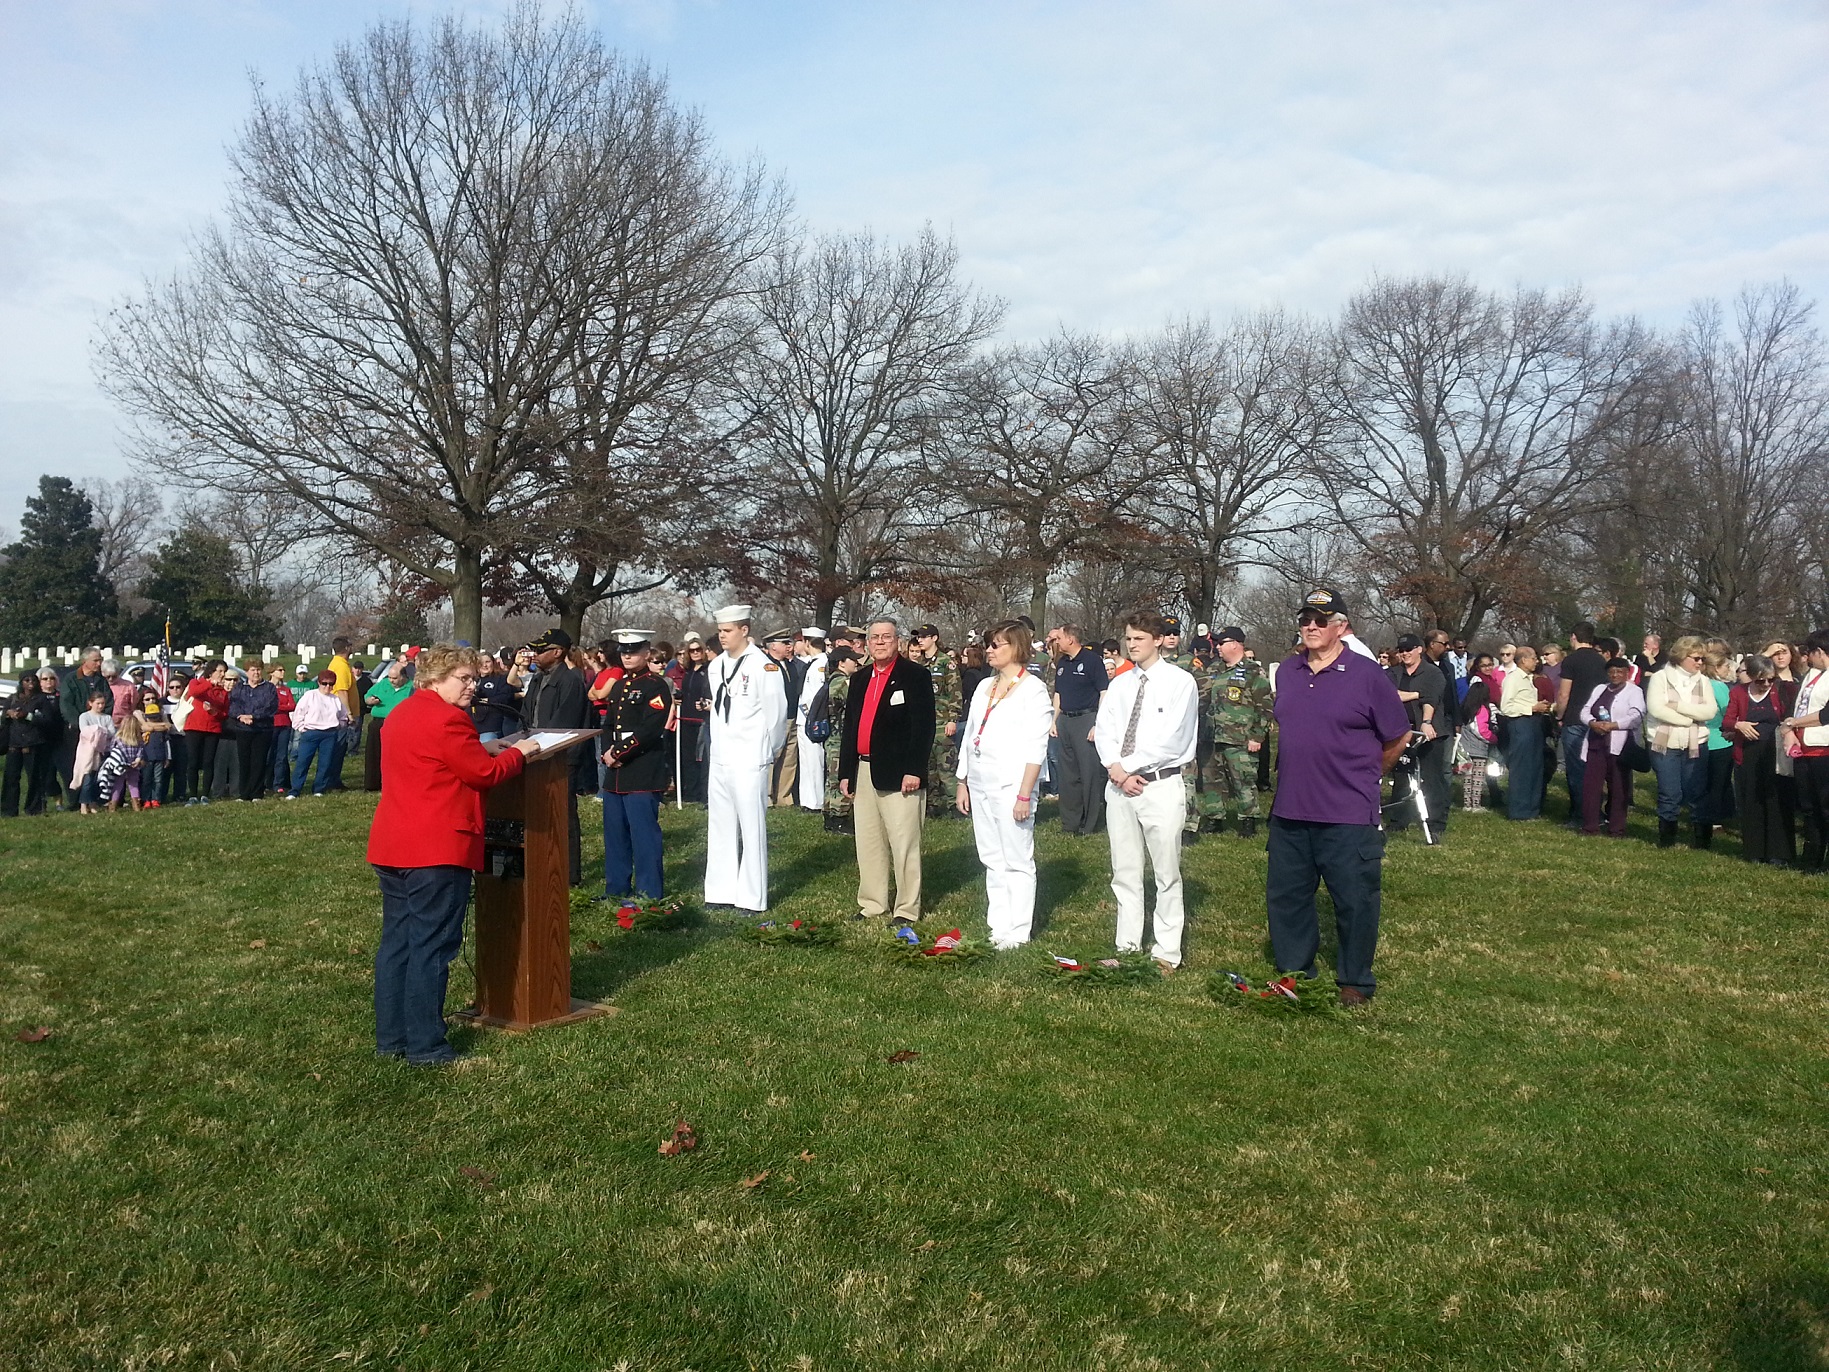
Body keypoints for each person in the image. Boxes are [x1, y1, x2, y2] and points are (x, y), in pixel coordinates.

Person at [366, 645, 543, 1066]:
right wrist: (521, 752)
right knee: (431, 946)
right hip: (436, 847)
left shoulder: (402, 713)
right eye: (462, 678)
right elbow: (484, 775)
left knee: (397, 944)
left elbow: (439, 762)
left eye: (471, 677)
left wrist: (488, 746)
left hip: (394, 842)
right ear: (434, 679)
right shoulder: (448, 719)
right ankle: (427, 1046)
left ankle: (392, 1039)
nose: (472, 685)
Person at [1265, 589, 1410, 1006]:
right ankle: (1294, 972)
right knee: (1287, 896)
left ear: (1341, 626)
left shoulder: (1366, 674)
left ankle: (1355, 981)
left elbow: (1397, 734)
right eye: (1306, 619)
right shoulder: (1288, 671)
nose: (1311, 626)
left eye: (1321, 620)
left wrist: (1368, 774)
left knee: (1354, 899)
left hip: (1347, 810)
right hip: (1291, 807)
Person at [1093, 610, 1199, 973]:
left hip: (1160, 784)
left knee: (1166, 871)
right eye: (1128, 638)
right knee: (1124, 869)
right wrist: (1117, 771)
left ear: (1158, 640)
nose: (1131, 644)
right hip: (1120, 786)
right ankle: (1126, 945)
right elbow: (1104, 729)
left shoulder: (1180, 682)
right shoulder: (1122, 683)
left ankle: (1166, 951)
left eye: (1139, 638)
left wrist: (1131, 766)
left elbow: (1175, 738)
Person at [955, 620, 1054, 949]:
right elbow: (971, 736)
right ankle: (998, 924)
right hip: (981, 781)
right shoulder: (985, 686)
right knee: (991, 856)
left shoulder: (1033, 690)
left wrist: (1025, 794)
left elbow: (1036, 747)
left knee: (1016, 858)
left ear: (1017, 648)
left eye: (998, 645)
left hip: (1012, 784)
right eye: (990, 644)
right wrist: (963, 780)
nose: (990, 650)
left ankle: (1018, 931)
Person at [838, 618, 935, 925]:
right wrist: (846, 771)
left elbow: (923, 728)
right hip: (864, 769)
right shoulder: (860, 678)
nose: (880, 642)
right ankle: (872, 903)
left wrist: (914, 770)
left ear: (898, 641)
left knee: (903, 842)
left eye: (886, 637)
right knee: (868, 842)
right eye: (874, 638)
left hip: (901, 773)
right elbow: (851, 727)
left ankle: (906, 908)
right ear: (866, 643)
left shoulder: (915, 676)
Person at [704, 605, 788, 911]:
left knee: (752, 827)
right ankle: (720, 891)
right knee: (720, 823)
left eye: (727, 631)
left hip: (750, 755)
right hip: (722, 755)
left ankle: (753, 897)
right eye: (720, 631)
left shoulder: (763, 667)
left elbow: (776, 715)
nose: (722, 637)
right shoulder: (716, 667)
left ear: (744, 630)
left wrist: (768, 751)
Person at [599, 630, 673, 902]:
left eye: (634, 650)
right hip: (615, 772)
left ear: (646, 652)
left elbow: (651, 729)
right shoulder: (619, 685)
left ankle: (648, 892)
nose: (627, 655)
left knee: (644, 836)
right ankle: (616, 888)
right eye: (623, 650)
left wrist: (619, 752)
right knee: (615, 834)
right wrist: (607, 753)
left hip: (641, 768)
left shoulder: (655, 686)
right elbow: (609, 724)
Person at [521, 627, 592, 886]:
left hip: (562, 756)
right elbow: (528, 713)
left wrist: (546, 748)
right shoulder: (539, 679)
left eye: (541, 650)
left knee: (564, 814)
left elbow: (565, 723)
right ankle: (543, 863)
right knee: (540, 813)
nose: (536, 655)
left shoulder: (570, 681)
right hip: (536, 753)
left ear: (557, 652)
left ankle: (570, 873)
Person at [1195, 627, 1275, 839]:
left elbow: (1265, 706)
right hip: (1212, 736)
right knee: (1211, 780)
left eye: (1222, 643)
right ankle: (1215, 818)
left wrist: (1257, 736)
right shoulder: (1214, 670)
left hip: (1240, 738)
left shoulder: (1253, 671)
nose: (1218, 647)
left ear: (1236, 644)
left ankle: (1248, 819)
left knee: (1243, 780)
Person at [1646, 636, 1717, 848]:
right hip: (1665, 744)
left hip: (1696, 743)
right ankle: (1667, 841)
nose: (1700, 663)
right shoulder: (1661, 678)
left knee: (1697, 791)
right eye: (1696, 658)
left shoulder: (1703, 681)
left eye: (1702, 659)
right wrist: (1689, 720)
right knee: (1669, 792)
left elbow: (1710, 711)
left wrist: (1676, 705)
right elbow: (1656, 709)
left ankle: (1702, 840)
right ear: (1682, 656)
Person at [1724, 653, 1793, 866]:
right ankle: (1754, 850)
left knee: (1776, 800)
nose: (1765, 684)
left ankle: (1778, 852)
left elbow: (1788, 716)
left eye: (1770, 680)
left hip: (1774, 751)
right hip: (1748, 752)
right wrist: (1739, 725)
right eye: (1760, 680)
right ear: (1751, 677)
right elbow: (1727, 720)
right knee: (1751, 799)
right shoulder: (1738, 692)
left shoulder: (1780, 692)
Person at [1575, 658, 1646, 837]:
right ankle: (1590, 826)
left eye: (1619, 671)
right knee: (1591, 786)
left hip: (1619, 746)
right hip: (1596, 744)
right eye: (1612, 671)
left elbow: (1636, 715)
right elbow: (1585, 710)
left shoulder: (1634, 691)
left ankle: (1616, 828)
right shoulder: (1600, 689)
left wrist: (1614, 725)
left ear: (1627, 673)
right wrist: (1592, 723)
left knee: (1619, 788)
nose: (1615, 675)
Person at [1050, 623, 1108, 836]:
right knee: (1068, 775)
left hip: (1086, 719)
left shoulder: (1092, 661)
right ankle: (1070, 823)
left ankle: (1090, 824)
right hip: (1065, 720)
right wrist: (1054, 721)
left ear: (1071, 639)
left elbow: (1104, 692)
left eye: (1059, 638)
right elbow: (1059, 694)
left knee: (1089, 773)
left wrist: (1097, 724)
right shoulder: (1062, 663)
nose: (1057, 642)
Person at [1385, 633, 1445, 832]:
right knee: (1401, 778)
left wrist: (1426, 721)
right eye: (1401, 651)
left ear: (1419, 649)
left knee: (1431, 778)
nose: (1405, 654)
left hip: (1429, 732)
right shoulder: (1393, 673)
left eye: (1409, 649)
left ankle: (1435, 823)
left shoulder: (1433, 673)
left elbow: (1432, 698)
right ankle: (1398, 821)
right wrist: (1418, 694)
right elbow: (1389, 696)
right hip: (1402, 732)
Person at [1780, 631, 1829, 873]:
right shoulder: (1811, 677)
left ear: (1820, 653)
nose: (1808, 659)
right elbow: (1795, 709)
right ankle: (1811, 859)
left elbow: (1826, 715)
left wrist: (1794, 724)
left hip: (1825, 751)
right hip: (1804, 750)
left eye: (1810, 654)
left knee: (1826, 807)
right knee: (1810, 808)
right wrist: (1789, 729)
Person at [1555, 623, 1609, 826]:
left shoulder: (1571, 660)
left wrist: (1559, 715)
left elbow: (1564, 693)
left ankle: (1581, 815)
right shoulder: (1600, 659)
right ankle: (1597, 812)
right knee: (1593, 769)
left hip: (1575, 718)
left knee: (1576, 769)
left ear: (1573, 637)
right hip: (1595, 718)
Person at [908, 624, 959, 817]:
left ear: (934, 638)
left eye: (924, 637)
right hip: (924, 724)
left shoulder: (947, 662)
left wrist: (953, 719)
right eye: (918, 637)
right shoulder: (919, 665)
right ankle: (933, 806)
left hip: (942, 721)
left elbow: (955, 692)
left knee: (946, 767)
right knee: (928, 768)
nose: (920, 640)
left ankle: (956, 805)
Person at [1499, 646, 1554, 821]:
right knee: (1522, 768)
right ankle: (1519, 810)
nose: (1537, 661)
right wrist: (1531, 708)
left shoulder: (1529, 679)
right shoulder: (1513, 679)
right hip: (1520, 724)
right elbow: (1506, 706)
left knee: (1535, 767)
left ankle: (1532, 809)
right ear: (1523, 660)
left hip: (1534, 724)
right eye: (1534, 658)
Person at [1695, 645, 1737, 849]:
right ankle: (1715, 820)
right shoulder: (1719, 687)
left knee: (1702, 782)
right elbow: (1728, 710)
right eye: (1725, 667)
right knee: (1718, 784)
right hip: (1720, 740)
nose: (1728, 670)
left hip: (1699, 739)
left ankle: (1702, 817)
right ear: (1716, 668)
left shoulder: (1697, 684)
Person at [2, 674, 60, 817]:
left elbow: (47, 721)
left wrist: (27, 716)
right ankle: (8, 810)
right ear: (21, 682)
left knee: (35, 777)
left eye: (33, 680)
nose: (30, 683)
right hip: (14, 743)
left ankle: (34, 808)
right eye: (27, 681)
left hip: (34, 742)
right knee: (11, 778)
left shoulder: (41, 700)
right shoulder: (13, 698)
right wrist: (8, 713)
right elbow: (3, 718)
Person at [286, 672, 351, 798]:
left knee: (325, 763)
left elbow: (343, 717)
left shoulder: (335, 699)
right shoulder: (310, 695)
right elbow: (298, 713)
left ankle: (319, 789)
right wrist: (301, 728)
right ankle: (295, 790)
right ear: (319, 683)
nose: (327, 687)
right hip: (311, 732)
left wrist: (338, 726)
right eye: (324, 684)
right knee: (303, 762)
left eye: (331, 684)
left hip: (329, 734)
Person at [58, 649, 106, 807]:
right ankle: (75, 800)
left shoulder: (101, 680)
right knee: (77, 765)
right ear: (85, 661)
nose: (99, 664)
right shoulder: (71, 679)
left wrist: (101, 720)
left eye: (100, 660)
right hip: (76, 731)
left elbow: (108, 700)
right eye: (96, 660)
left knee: (96, 765)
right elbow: (66, 704)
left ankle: (93, 798)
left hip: (99, 731)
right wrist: (81, 724)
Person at [821, 647, 862, 832]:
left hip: (832, 737)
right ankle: (839, 818)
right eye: (852, 659)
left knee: (831, 779)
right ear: (841, 663)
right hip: (840, 737)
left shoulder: (830, 681)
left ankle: (829, 814)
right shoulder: (843, 683)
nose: (856, 663)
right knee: (841, 777)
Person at [225, 656, 277, 801]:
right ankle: (244, 793)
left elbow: (270, 707)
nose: (256, 673)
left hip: (262, 729)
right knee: (244, 761)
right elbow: (233, 705)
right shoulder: (239, 688)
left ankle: (256, 793)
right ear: (247, 672)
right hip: (243, 729)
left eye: (258, 670)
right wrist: (241, 716)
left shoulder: (269, 688)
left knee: (259, 761)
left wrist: (253, 716)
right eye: (253, 670)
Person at [362, 657, 415, 793]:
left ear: (403, 677)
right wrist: (370, 700)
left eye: (395, 678)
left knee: (393, 756)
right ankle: (372, 783)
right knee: (374, 754)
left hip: (397, 724)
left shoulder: (411, 688)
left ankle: (391, 783)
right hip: (378, 722)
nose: (391, 681)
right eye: (390, 677)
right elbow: (367, 696)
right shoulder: (384, 683)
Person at [763, 628, 802, 807]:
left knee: (789, 758)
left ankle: (784, 796)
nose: (788, 646)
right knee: (773, 757)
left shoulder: (791, 665)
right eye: (784, 643)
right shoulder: (766, 665)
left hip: (793, 716)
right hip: (775, 718)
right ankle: (768, 796)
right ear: (772, 646)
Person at [796, 628, 829, 811]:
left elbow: (816, 696)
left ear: (808, 643)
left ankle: (815, 801)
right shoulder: (812, 663)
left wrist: (809, 714)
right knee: (806, 761)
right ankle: (807, 799)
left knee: (814, 761)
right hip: (804, 718)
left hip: (812, 718)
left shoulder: (820, 665)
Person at [1457, 668, 1499, 812]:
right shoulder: (1482, 709)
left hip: (1465, 748)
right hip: (1479, 749)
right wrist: (1493, 739)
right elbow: (1481, 729)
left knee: (1467, 778)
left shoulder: (1465, 708)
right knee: (1478, 778)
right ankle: (1476, 805)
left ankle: (1466, 804)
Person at [323, 637, 361, 791]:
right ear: (346, 647)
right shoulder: (341, 666)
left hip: (342, 715)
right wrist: (349, 714)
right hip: (342, 716)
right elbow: (342, 691)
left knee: (340, 749)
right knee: (337, 749)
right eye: (351, 645)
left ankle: (334, 779)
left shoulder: (340, 664)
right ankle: (331, 781)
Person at [676, 640, 711, 805]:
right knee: (687, 756)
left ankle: (701, 793)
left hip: (701, 719)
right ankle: (690, 792)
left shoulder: (708, 670)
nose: (695, 653)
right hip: (685, 717)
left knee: (701, 757)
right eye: (692, 651)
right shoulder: (688, 671)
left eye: (698, 650)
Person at [73, 689, 116, 814]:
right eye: (98, 703)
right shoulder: (84, 716)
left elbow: (112, 732)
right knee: (87, 778)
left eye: (102, 703)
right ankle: (83, 804)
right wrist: (100, 731)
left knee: (98, 778)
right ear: (90, 703)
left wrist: (98, 731)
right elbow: (85, 732)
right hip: (88, 753)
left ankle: (93, 803)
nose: (101, 706)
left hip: (103, 751)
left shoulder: (106, 717)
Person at [135, 685, 172, 808]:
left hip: (160, 756)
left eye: (153, 698)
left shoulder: (161, 712)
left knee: (158, 779)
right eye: (147, 699)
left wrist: (168, 757)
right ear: (141, 701)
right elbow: (144, 727)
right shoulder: (138, 713)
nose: (151, 701)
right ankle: (146, 799)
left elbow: (167, 728)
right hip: (146, 756)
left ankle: (156, 799)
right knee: (146, 779)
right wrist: (159, 726)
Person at [470, 653, 517, 744]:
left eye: (487, 662)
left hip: (491, 726)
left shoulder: (501, 678)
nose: (484, 665)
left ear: (493, 663)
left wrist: (487, 701)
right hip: (472, 726)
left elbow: (506, 697)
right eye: (481, 662)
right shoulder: (472, 680)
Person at [267, 666, 296, 796]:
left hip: (284, 725)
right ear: (271, 672)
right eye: (279, 670)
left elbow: (292, 705)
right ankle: (267, 782)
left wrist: (278, 707)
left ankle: (278, 783)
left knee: (282, 755)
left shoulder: (285, 689)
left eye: (283, 669)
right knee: (269, 754)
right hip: (270, 725)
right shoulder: (266, 688)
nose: (283, 672)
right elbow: (267, 705)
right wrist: (282, 707)